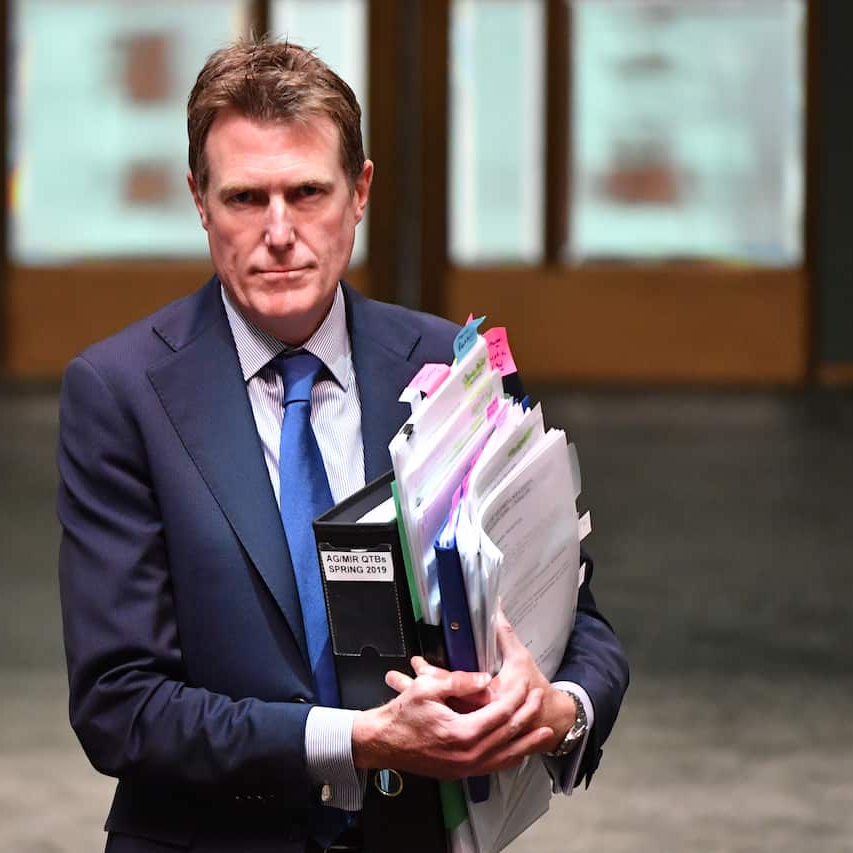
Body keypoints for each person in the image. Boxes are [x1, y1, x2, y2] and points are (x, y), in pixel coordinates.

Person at [56, 38, 629, 853]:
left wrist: (560, 710)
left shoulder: (455, 365)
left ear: (359, 193)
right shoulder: (120, 393)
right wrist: (357, 739)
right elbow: (121, 706)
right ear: (199, 201)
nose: (280, 231)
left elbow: (579, 621)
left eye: (308, 192)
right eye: (247, 197)